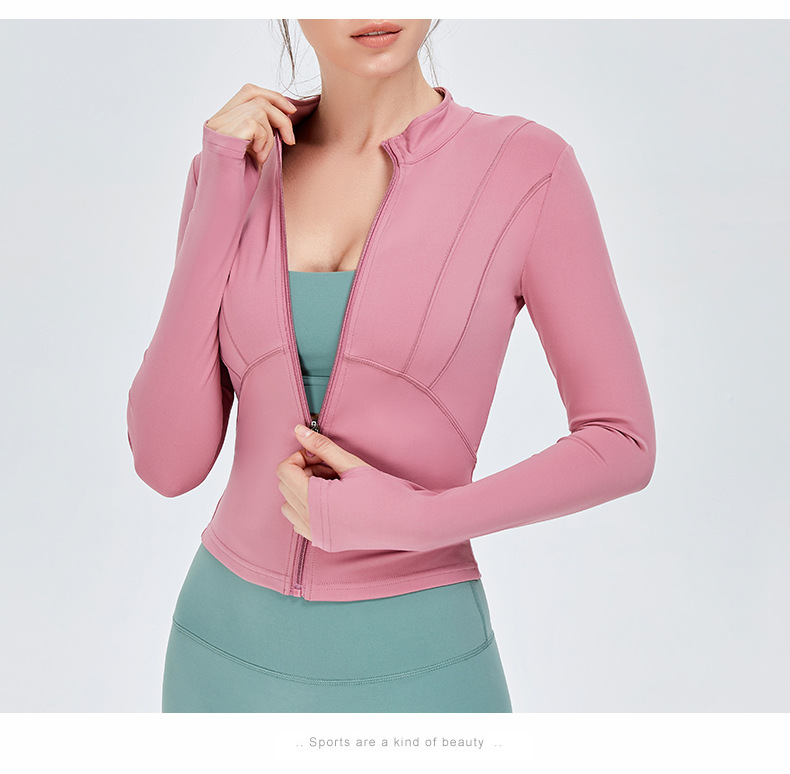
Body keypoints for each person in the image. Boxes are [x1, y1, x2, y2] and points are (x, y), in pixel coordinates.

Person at [126, 19, 656, 713]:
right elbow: (166, 464)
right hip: (221, 655)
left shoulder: (527, 168)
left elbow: (622, 442)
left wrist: (418, 520)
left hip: (420, 660)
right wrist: (221, 185)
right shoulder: (232, 169)